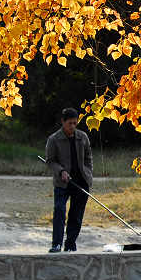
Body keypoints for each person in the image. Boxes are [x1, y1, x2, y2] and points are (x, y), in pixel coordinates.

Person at [44, 108, 94, 252]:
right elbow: (50, 161)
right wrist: (61, 171)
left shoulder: (83, 137)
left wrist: (88, 175)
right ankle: (56, 244)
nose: (72, 126)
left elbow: (89, 158)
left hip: (81, 182)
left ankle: (70, 244)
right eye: (69, 123)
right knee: (59, 210)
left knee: (76, 215)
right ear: (63, 122)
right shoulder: (53, 139)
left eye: (75, 123)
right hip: (62, 183)